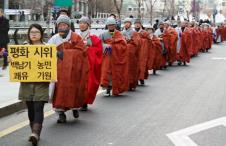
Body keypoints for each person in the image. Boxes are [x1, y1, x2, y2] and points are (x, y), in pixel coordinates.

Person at [48, 15, 89, 123]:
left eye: (64, 25)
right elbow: (46, 51)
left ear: (68, 26)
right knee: (59, 92)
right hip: (59, 71)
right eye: (60, 25)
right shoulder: (54, 38)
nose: (62, 27)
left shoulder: (76, 37)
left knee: (74, 90)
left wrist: (64, 54)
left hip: (73, 70)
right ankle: (61, 113)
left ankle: (75, 108)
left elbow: (82, 52)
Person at [17, 24, 49, 146]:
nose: (34, 34)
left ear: (41, 34)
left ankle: (35, 133)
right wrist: (11, 59)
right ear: (29, 34)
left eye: (36, 32)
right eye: (31, 32)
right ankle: (34, 132)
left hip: (41, 83)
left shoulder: (47, 48)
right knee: (30, 109)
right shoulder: (23, 48)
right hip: (27, 83)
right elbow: (17, 64)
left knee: (38, 107)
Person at [78, 17, 103, 111]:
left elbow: (99, 51)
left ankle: (84, 101)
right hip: (78, 64)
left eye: (84, 23)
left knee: (88, 83)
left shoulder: (93, 38)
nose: (82, 25)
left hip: (89, 64)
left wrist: (88, 48)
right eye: (80, 23)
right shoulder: (75, 36)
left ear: (88, 25)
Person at [100, 17, 129, 96]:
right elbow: (99, 43)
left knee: (115, 73)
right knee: (107, 72)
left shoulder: (120, 34)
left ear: (115, 25)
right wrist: (105, 46)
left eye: (112, 25)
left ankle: (114, 87)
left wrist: (114, 46)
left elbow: (124, 45)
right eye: (109, 25)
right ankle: (107, 88)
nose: (111, 27)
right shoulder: (103, 34)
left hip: (116, 57)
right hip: (107, 56)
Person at [122, 18, 140, 91]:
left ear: (130, 24)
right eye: (125, 22)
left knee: (131, 69)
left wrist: (129, 42)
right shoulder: (121, 32)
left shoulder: (134, 32)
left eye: (128, 22)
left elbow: (136, 43)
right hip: (123, 53)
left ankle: (131, 83)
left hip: (131, 54)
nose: (126, 24)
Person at [134, 19, 149, 85]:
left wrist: (141, 40)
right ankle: (135, 79)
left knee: (142, 65)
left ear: (141, 25)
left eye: (138, 23)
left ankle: (141, 78)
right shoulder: (132, 32)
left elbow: (148, 40)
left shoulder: (144, 32)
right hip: (134, 50)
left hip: (142, 51)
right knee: (134, 65)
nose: (137, 25)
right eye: (136, 23)